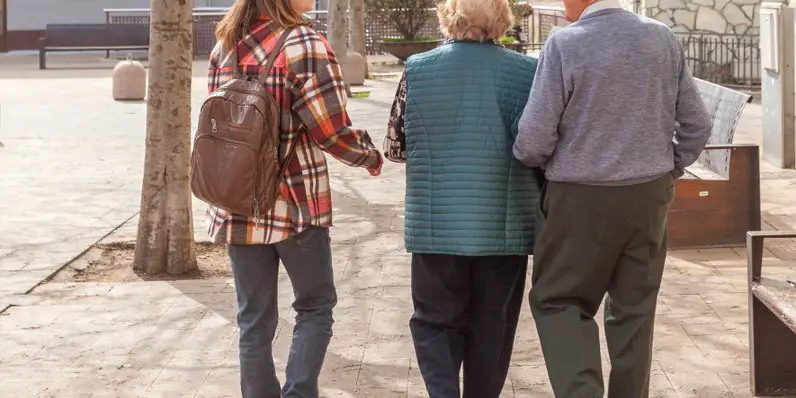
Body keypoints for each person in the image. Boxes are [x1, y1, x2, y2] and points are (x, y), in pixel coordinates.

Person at [513, 0, 712, 397]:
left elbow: (533, 139)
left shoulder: (565, 44)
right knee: (635, 310)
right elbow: (698, 124)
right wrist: (667, 169)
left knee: (559, 301)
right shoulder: (661, 38)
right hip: (649, 194)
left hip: (579, 199)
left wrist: (530, 157)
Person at [206, 0, 383, 397]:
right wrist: (369, 157)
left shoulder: (225, 46)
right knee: (315, 307)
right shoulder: (304, 44)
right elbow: (331, 132)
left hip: (237, 200)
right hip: (295, 202)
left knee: (253, 320)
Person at [384, 0, 543, 396]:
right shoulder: (528, 73)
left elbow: (395, 148)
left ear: (448, 16)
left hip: (436, 226)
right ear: (502, 19)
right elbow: (540, 147)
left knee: (434, 322)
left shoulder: (416, 69)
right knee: (493, 326)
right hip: (504, 228)